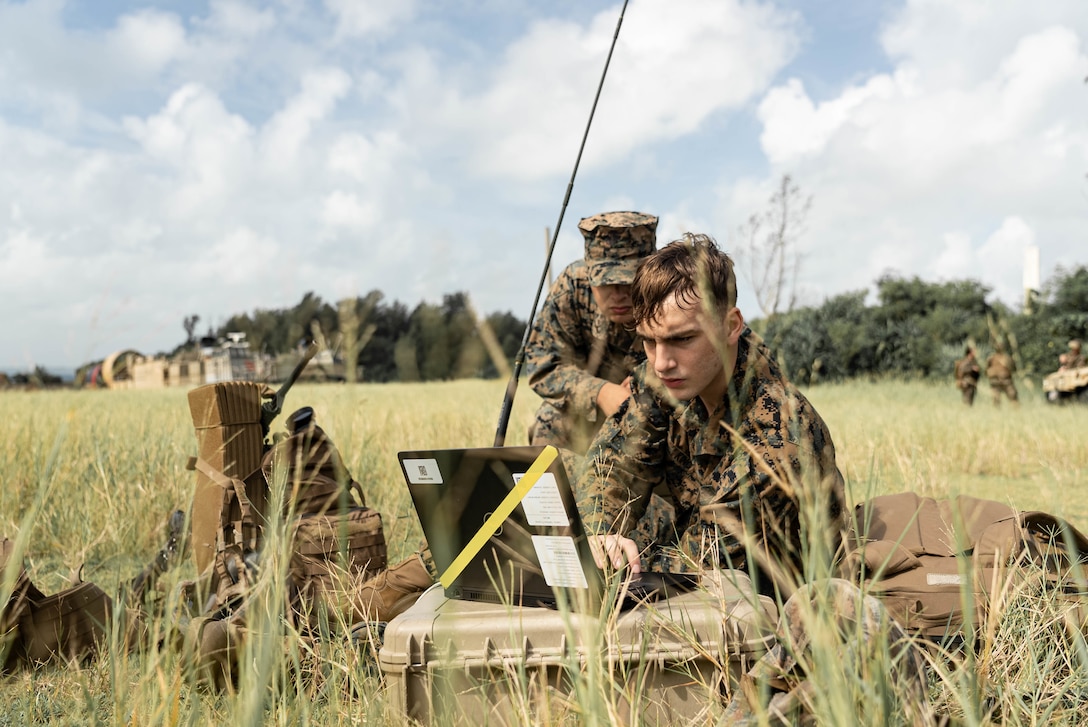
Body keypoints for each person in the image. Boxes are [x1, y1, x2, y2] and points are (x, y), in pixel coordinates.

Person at [576, 233, 846, 595]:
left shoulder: (777, 432)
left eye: (683, 339)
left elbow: (697, 562)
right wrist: (599, 535)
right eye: (649, 340)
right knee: (551, 478)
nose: (660, 362)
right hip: (693, 534)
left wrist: (600, 568)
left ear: (731, 326)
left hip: (768, 598)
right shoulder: (664, 378)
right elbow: (611, 467)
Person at [525, 211, 658, 454]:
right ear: (589, 273)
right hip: (590, 414)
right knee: (550, 418)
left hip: (660, 413)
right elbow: (542, 364)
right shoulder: (572, 287)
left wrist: (650, 384)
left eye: (629, 281)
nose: (618, 294)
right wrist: (600, 392)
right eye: (605, 281)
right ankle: (551, 492)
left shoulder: (671, 289)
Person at [985, 341, 1018, 406]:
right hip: (1000, 380)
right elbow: (1014, 369)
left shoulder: (992, 358)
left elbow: (986, 370)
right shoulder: (993, 358)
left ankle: (1016, 412)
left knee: (1012, 396)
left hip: (1002, 380)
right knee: (999, 398)